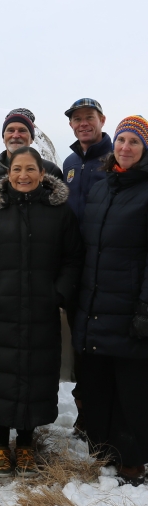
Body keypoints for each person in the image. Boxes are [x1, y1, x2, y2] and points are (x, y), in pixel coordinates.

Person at [0, 147, 83, 476]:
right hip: (0, 311)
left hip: (41, 311)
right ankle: (1, 446)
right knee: (1, 375)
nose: (24, 175)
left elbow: (73, 258)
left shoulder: (60, 212)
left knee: (34, 375)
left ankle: (27, 446)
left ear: (42, 174)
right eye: (17, 169)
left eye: (31, 169)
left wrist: (58, 293)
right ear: (9, 173)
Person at [73, 116, 148, 486]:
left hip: (131, 306)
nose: (125, 147)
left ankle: (132, 459)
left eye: (134, 142)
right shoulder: (103, 186)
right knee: (96, 384)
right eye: (121, 141)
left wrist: (146, 308)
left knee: (131, 389)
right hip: (94, 302)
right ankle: (102, 452)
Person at [62, 98, 112, 438]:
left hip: (105, 266)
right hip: (72, 266)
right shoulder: (68, 162)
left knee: (101, 343)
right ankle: (84, 410)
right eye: (77, 119)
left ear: (102, 120)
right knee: (78, 341)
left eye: (89, 118)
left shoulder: (114, 158)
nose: (83, 123)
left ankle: (102, 413)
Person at [0, 109, 62, 180]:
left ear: (31, 139)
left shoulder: (51, 171)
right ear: (3, 138)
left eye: (22, 130)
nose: (16, 135)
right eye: (10, 130)